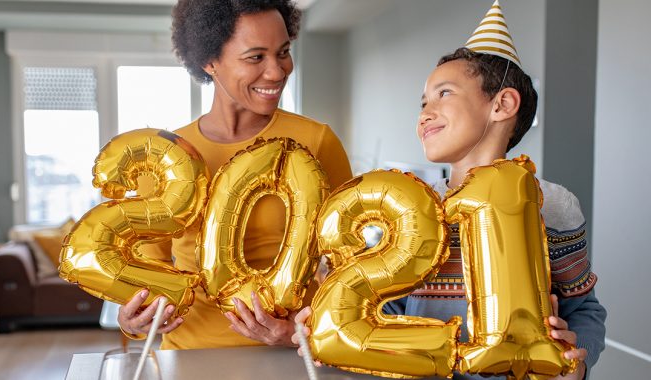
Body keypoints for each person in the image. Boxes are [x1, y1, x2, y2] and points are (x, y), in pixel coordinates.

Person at [292, 2, 606, 379]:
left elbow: (584, 310)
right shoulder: (415, 207)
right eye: (422, 102)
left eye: (443, 94)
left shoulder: (553, 206)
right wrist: (337, 327)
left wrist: (578, 361)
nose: (424, 112)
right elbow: (393, 310)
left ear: (502, 104)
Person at [116, 0, 352, 350]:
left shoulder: (316, 142)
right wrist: (133, 321)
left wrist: (301, 334)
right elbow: (149, 274)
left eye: (283, 52)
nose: (277, 71)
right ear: (209, 61)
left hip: (293, 359)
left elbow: (350, 273)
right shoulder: (166, 157)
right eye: (255, 57)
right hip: (190, 360)